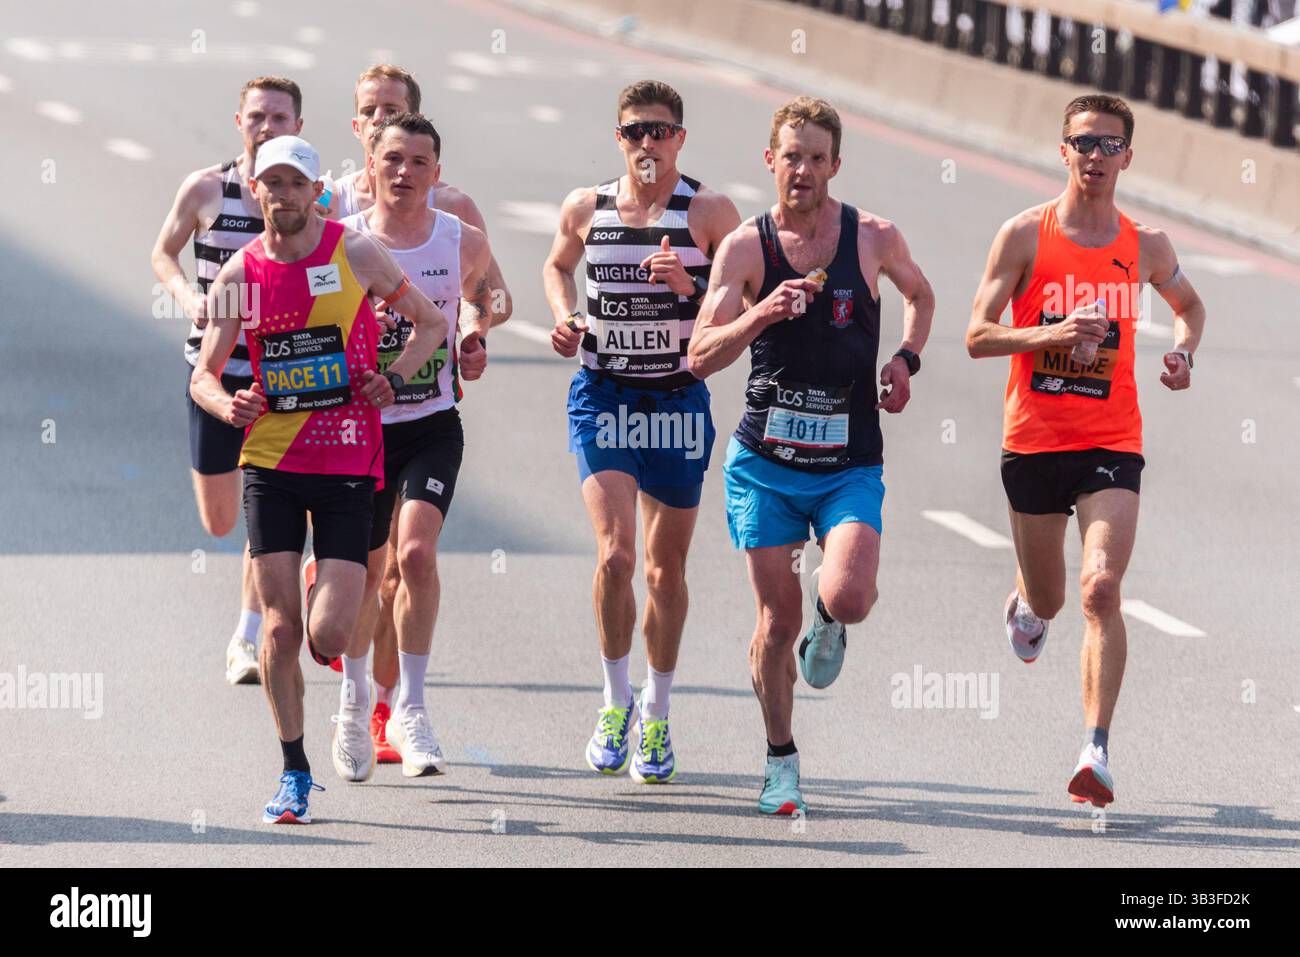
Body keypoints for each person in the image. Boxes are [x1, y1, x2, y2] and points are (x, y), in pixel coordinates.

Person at [688, 97, 934, 815]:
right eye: (791, 156)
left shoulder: (872, 237)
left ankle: (832, 616)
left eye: (817, 157)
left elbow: (921, 294)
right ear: (771, 160)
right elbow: (699, 356)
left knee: (850, 595)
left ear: (835, 164)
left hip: (849, 463)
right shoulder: (744, 247)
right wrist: (761, 310)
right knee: (775, 623)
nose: (803, 170)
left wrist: (905, 360)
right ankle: (781, 759)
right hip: (765, 464)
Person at [190, 135, 446, 823]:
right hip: (271, 461)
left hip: (347, 461)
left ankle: (320, 592)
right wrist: (227, 403)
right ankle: (295, 770)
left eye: (294, 183)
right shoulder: (239, 275)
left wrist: (391, 380)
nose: (283, 194)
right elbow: (204, 375)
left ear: (313, 192)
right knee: (277, 631)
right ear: (256, 190)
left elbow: (430, 322)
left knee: (327, 636)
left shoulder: (354, 252)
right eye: (270, 182)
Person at [966, 94, 1206, 808]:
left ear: (1128, 157)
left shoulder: (1146, 246)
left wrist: (1184, 355)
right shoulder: (1024, 236)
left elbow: (1190, 308)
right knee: (1054, 596)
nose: (1095, 157)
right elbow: (977, 335)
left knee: (1101, 586)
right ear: (1062, 150)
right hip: (1034, 442)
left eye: (1109, 145)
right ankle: (1029, 606)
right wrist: (1050, 335)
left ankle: (1095, 751)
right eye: (1083, 144)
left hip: (1112, 441)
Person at [316, 63, 512, 763]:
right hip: (358, 431)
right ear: (371, 164)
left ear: (437, 171)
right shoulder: (340, 240)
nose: (403, 171)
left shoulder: (460, 238)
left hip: (431, 424)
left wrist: (470, 337)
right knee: (367, 574)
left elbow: (481, 304)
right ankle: (353, 702)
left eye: (418, 162)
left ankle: (414, 708)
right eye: (392, 159)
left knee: (416, 552)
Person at [545, 80, 740, 783]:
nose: (647, 144)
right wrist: (564, 315)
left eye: (660, 132)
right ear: (618, 139)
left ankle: (657, 713)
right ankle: (614, 700)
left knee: (665, 570)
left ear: (680, 139)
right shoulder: (586, 206)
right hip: (604, 395)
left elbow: (740, 303)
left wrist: (689, 290)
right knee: (616, 557)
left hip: (678, 401)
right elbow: (557, 263)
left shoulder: (711, 211)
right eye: (634, 132)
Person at [151, 76, 302, 685]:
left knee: (261, 502)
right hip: (215, 374)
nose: (267, 127)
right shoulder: (208, 188)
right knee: (219, 520)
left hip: (285, 376)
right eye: (257, 117)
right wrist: (190, 297)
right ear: (238, 120)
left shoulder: (311, 197)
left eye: (280, 118)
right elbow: (163, 252)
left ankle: (246, 636)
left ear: (298, 125)